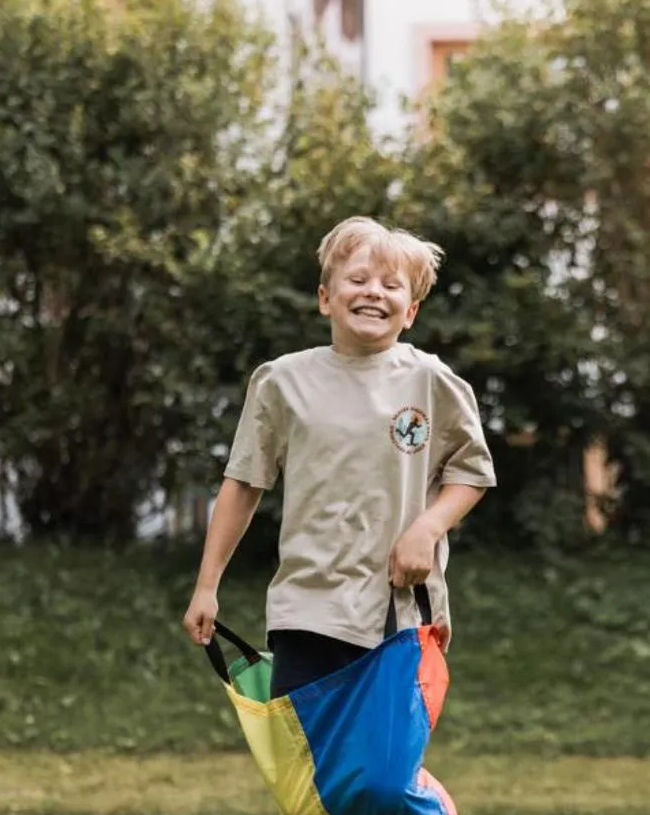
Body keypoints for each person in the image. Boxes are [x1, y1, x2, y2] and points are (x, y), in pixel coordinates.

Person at [182, 217, 496, 697]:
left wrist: (428, 529)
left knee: (384, 768)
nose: (374, 292)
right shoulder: (281, 382)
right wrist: (207, 586)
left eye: (391, 285)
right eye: (357, 279)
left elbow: (471, 472)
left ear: (410, 311)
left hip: (399, 611)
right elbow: (244, 483)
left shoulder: (433, 381)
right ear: (326, 297)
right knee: (315, 769)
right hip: (306, 610)